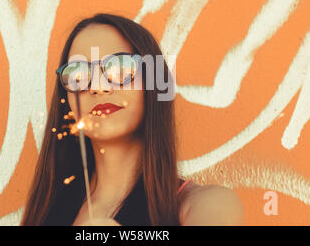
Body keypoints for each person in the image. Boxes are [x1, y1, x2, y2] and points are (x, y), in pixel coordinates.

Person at [21, 13, 243, 226]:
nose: (98, 87)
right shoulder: (48, 211)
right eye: (77, 75)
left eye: (120, 69)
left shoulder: (206, 205)